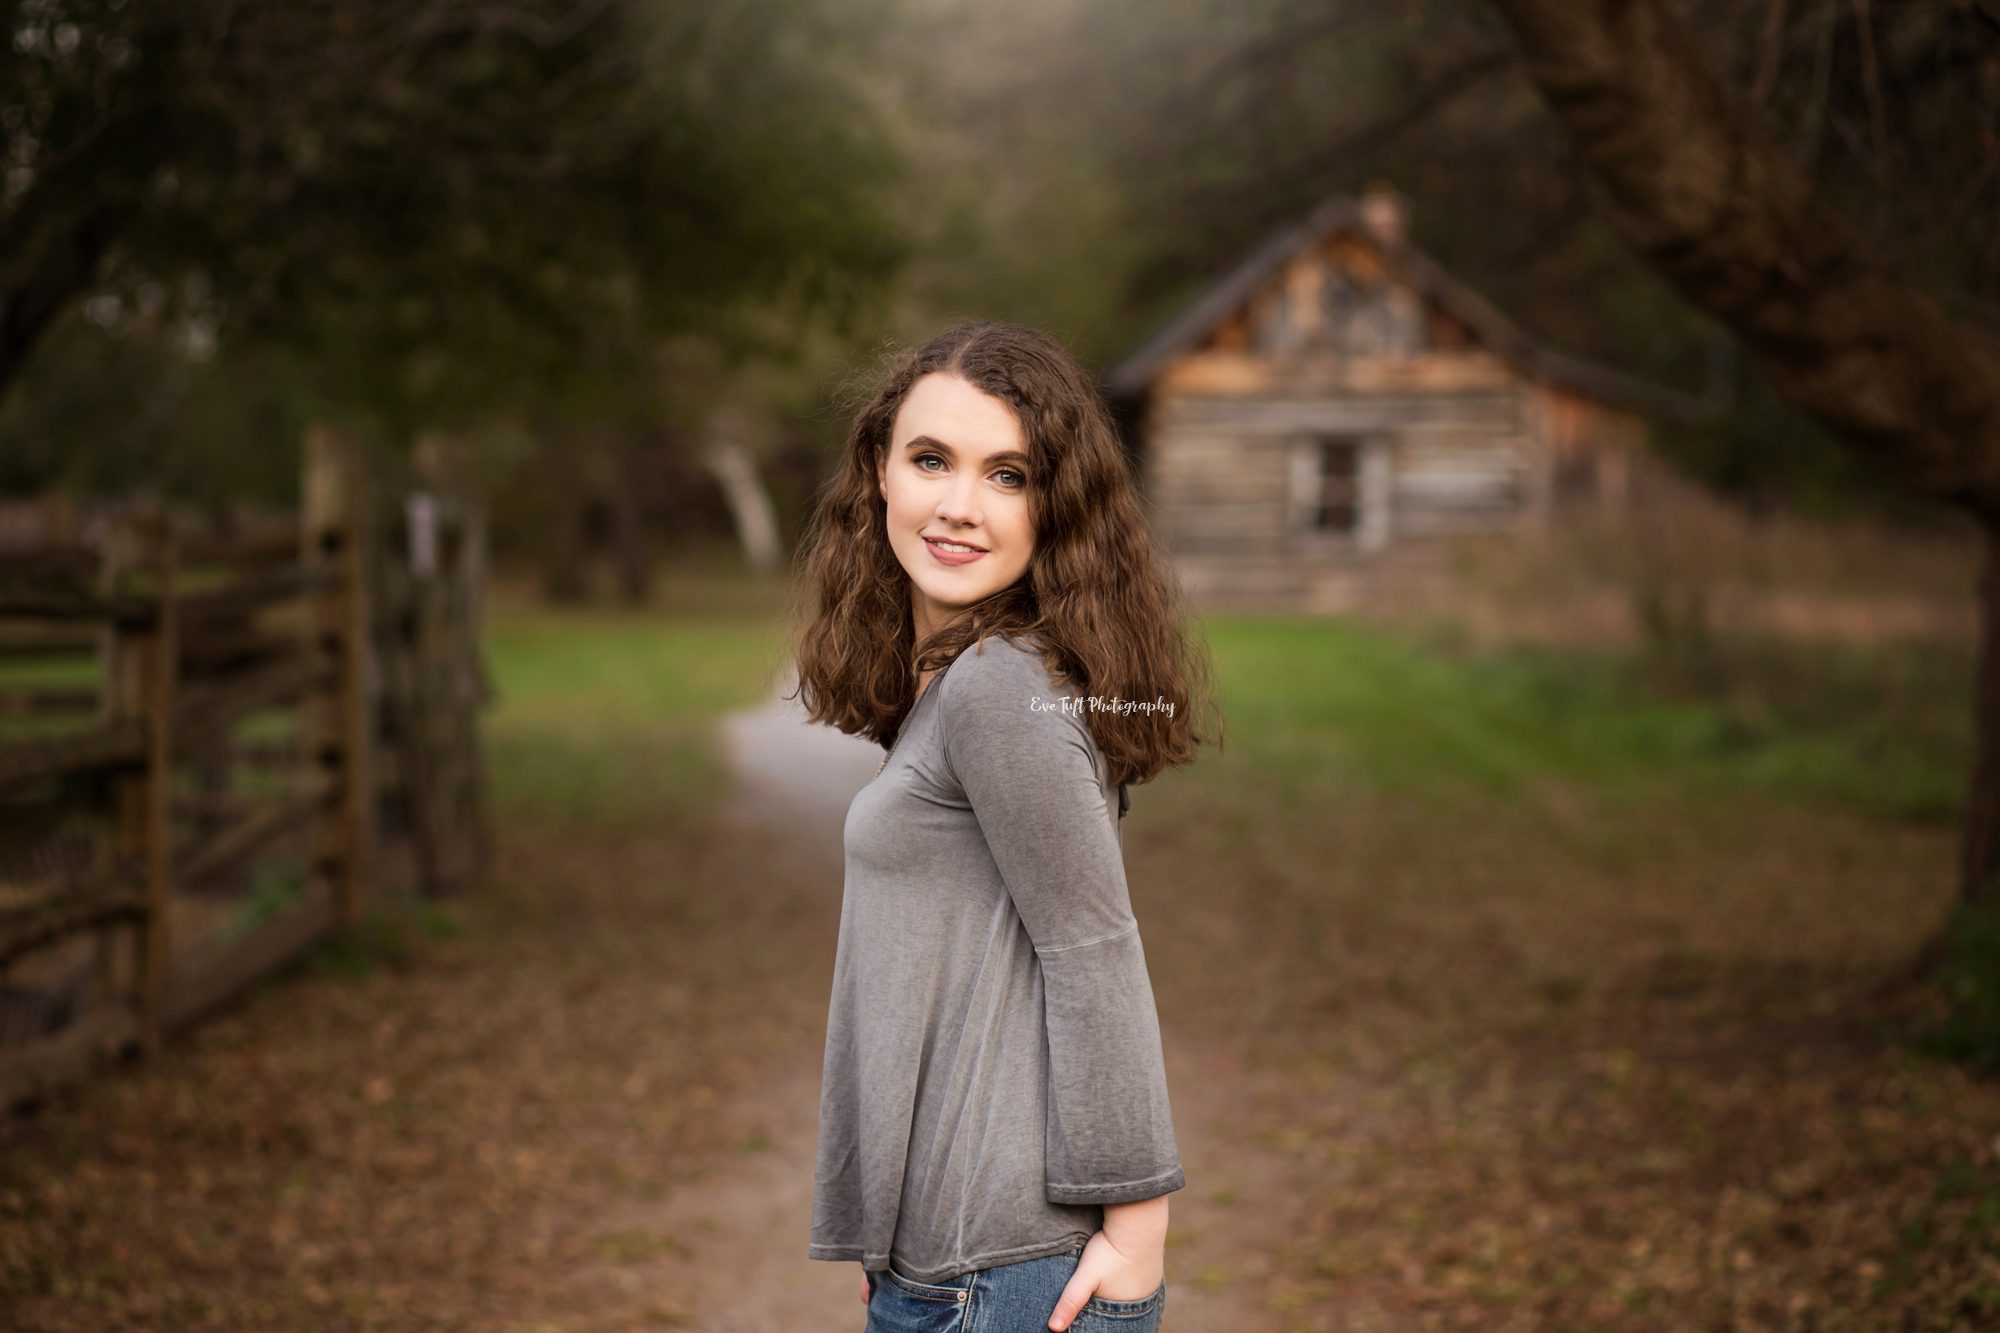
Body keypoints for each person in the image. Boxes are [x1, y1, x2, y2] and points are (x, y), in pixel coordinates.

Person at [788, 319, 1221, 1331]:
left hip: (1001, 1277)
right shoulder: (963, 681)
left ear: (1054, 510)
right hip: (949, 1264)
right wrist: (893, 1230)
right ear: (880, 473)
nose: (957, 505)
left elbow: (1092, 949)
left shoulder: (995, 687)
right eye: (930, 459)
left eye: (1008, 476)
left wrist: (1136, 1234)